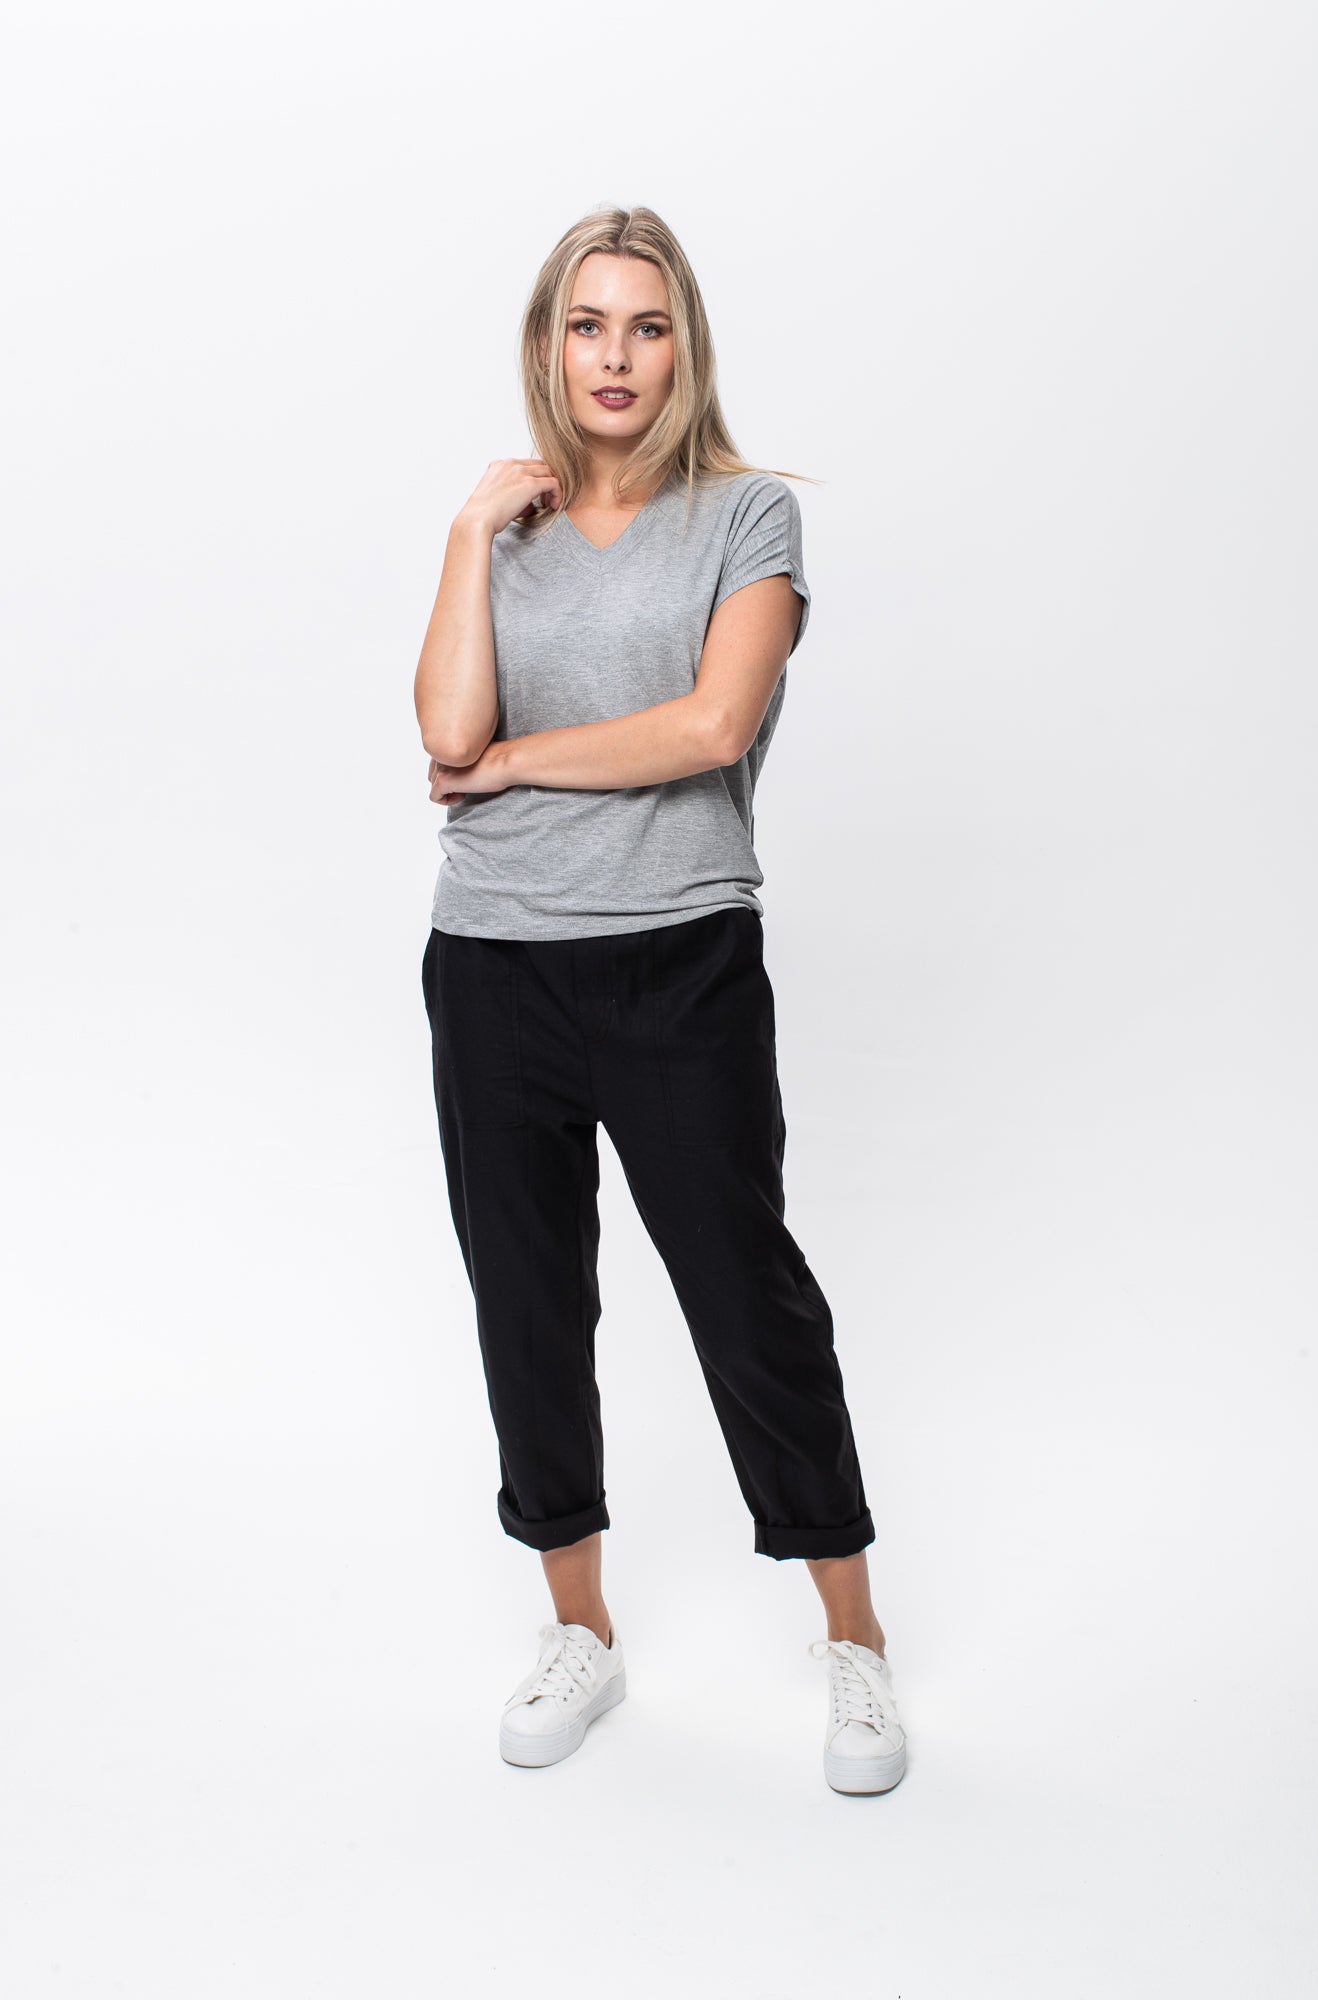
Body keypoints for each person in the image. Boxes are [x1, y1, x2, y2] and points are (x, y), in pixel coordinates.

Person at [414, 205, 906, 1796]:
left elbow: (710, 727)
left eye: (644, 326)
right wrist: (465, 536)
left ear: (683, 347)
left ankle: (852, 1638)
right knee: (527, 1304)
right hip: (491, 963)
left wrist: (515, 762)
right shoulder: (510, 531)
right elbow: (442, 730)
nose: (614, 357)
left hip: (677, 959)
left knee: (746, 1295)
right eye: (586, 325)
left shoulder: (744, 515)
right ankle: (580, 1629)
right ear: (547, 346)